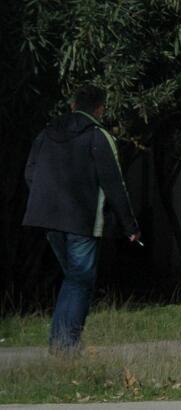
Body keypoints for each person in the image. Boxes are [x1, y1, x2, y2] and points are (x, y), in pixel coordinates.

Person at [22, 85, 141, 354]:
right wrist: (130, 226)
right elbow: (114, 184)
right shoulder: (98, 136)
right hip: (83, 221)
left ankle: (59, 341)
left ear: (72, 106)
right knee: (79, 281)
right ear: (100, 109)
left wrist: (46, 200)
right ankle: (66, 345)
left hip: (48, 220)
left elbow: (30, 172)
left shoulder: (46, 133)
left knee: (72, 278)